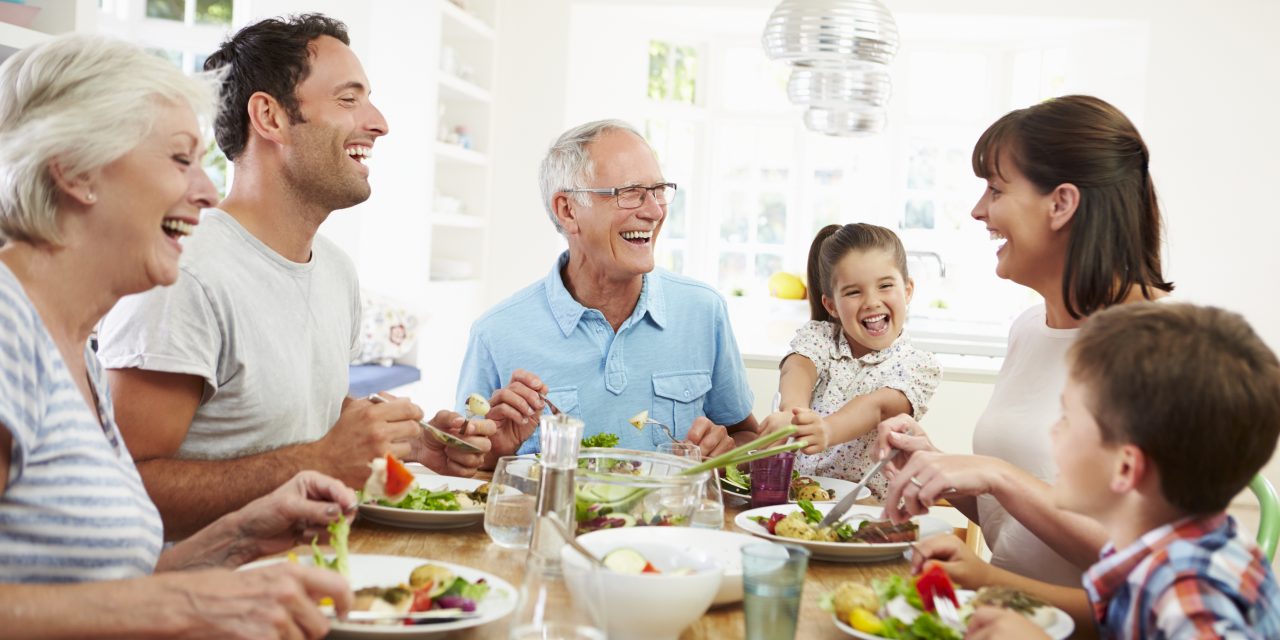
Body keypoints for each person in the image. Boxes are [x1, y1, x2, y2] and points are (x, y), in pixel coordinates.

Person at [0, 34, 355, 638]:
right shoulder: (7, 330)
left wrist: (236, 537)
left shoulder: (72, 349)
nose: (208, 191)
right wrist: (190, 606)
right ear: (77, 171)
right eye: (178, 159)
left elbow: (100, 591)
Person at [96, 14, 495, 539]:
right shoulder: (183, 273)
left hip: (311, 578)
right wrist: (324, 458)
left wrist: (411, 445)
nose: (378, 122)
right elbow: (126, 489)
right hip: (207, 603)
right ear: (270, 116)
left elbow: (298, 426)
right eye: (349, 100)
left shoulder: (335, 271)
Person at [876, 95, 1174, 586]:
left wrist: (998, 475)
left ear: (1061, 203)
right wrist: (939, 468)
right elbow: (1016, 528)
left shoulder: (1163, 349)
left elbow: (1146, 569)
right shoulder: (1030, 328)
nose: (977, 210)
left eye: (995, 189)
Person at [935, 303, 1280, 639]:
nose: (1053, 431)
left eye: (1067, 419)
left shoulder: (1191, 597)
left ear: (1126, 468)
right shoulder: (1161, 545)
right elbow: (1109, 616)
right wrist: (983, 577)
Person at [456, 119, 757, 465]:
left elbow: (746, 435)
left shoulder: (703, 311)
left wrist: (729, 451)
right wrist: (493, 455)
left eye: (658, 190)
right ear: (568, 210)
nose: (654, 211)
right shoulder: (496, 333)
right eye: (630, 193)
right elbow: (464, 468)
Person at [758, 223, 940, 498]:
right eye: (854, 292)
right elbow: (798, 368)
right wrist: (793, 415)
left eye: (885, 286)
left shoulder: (917, 365)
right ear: (831, 305)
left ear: (908, 290)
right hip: (797, 502)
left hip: (866, 512)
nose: (872, 302)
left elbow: (877, 407)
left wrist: (826, 430)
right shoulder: (821, 337)